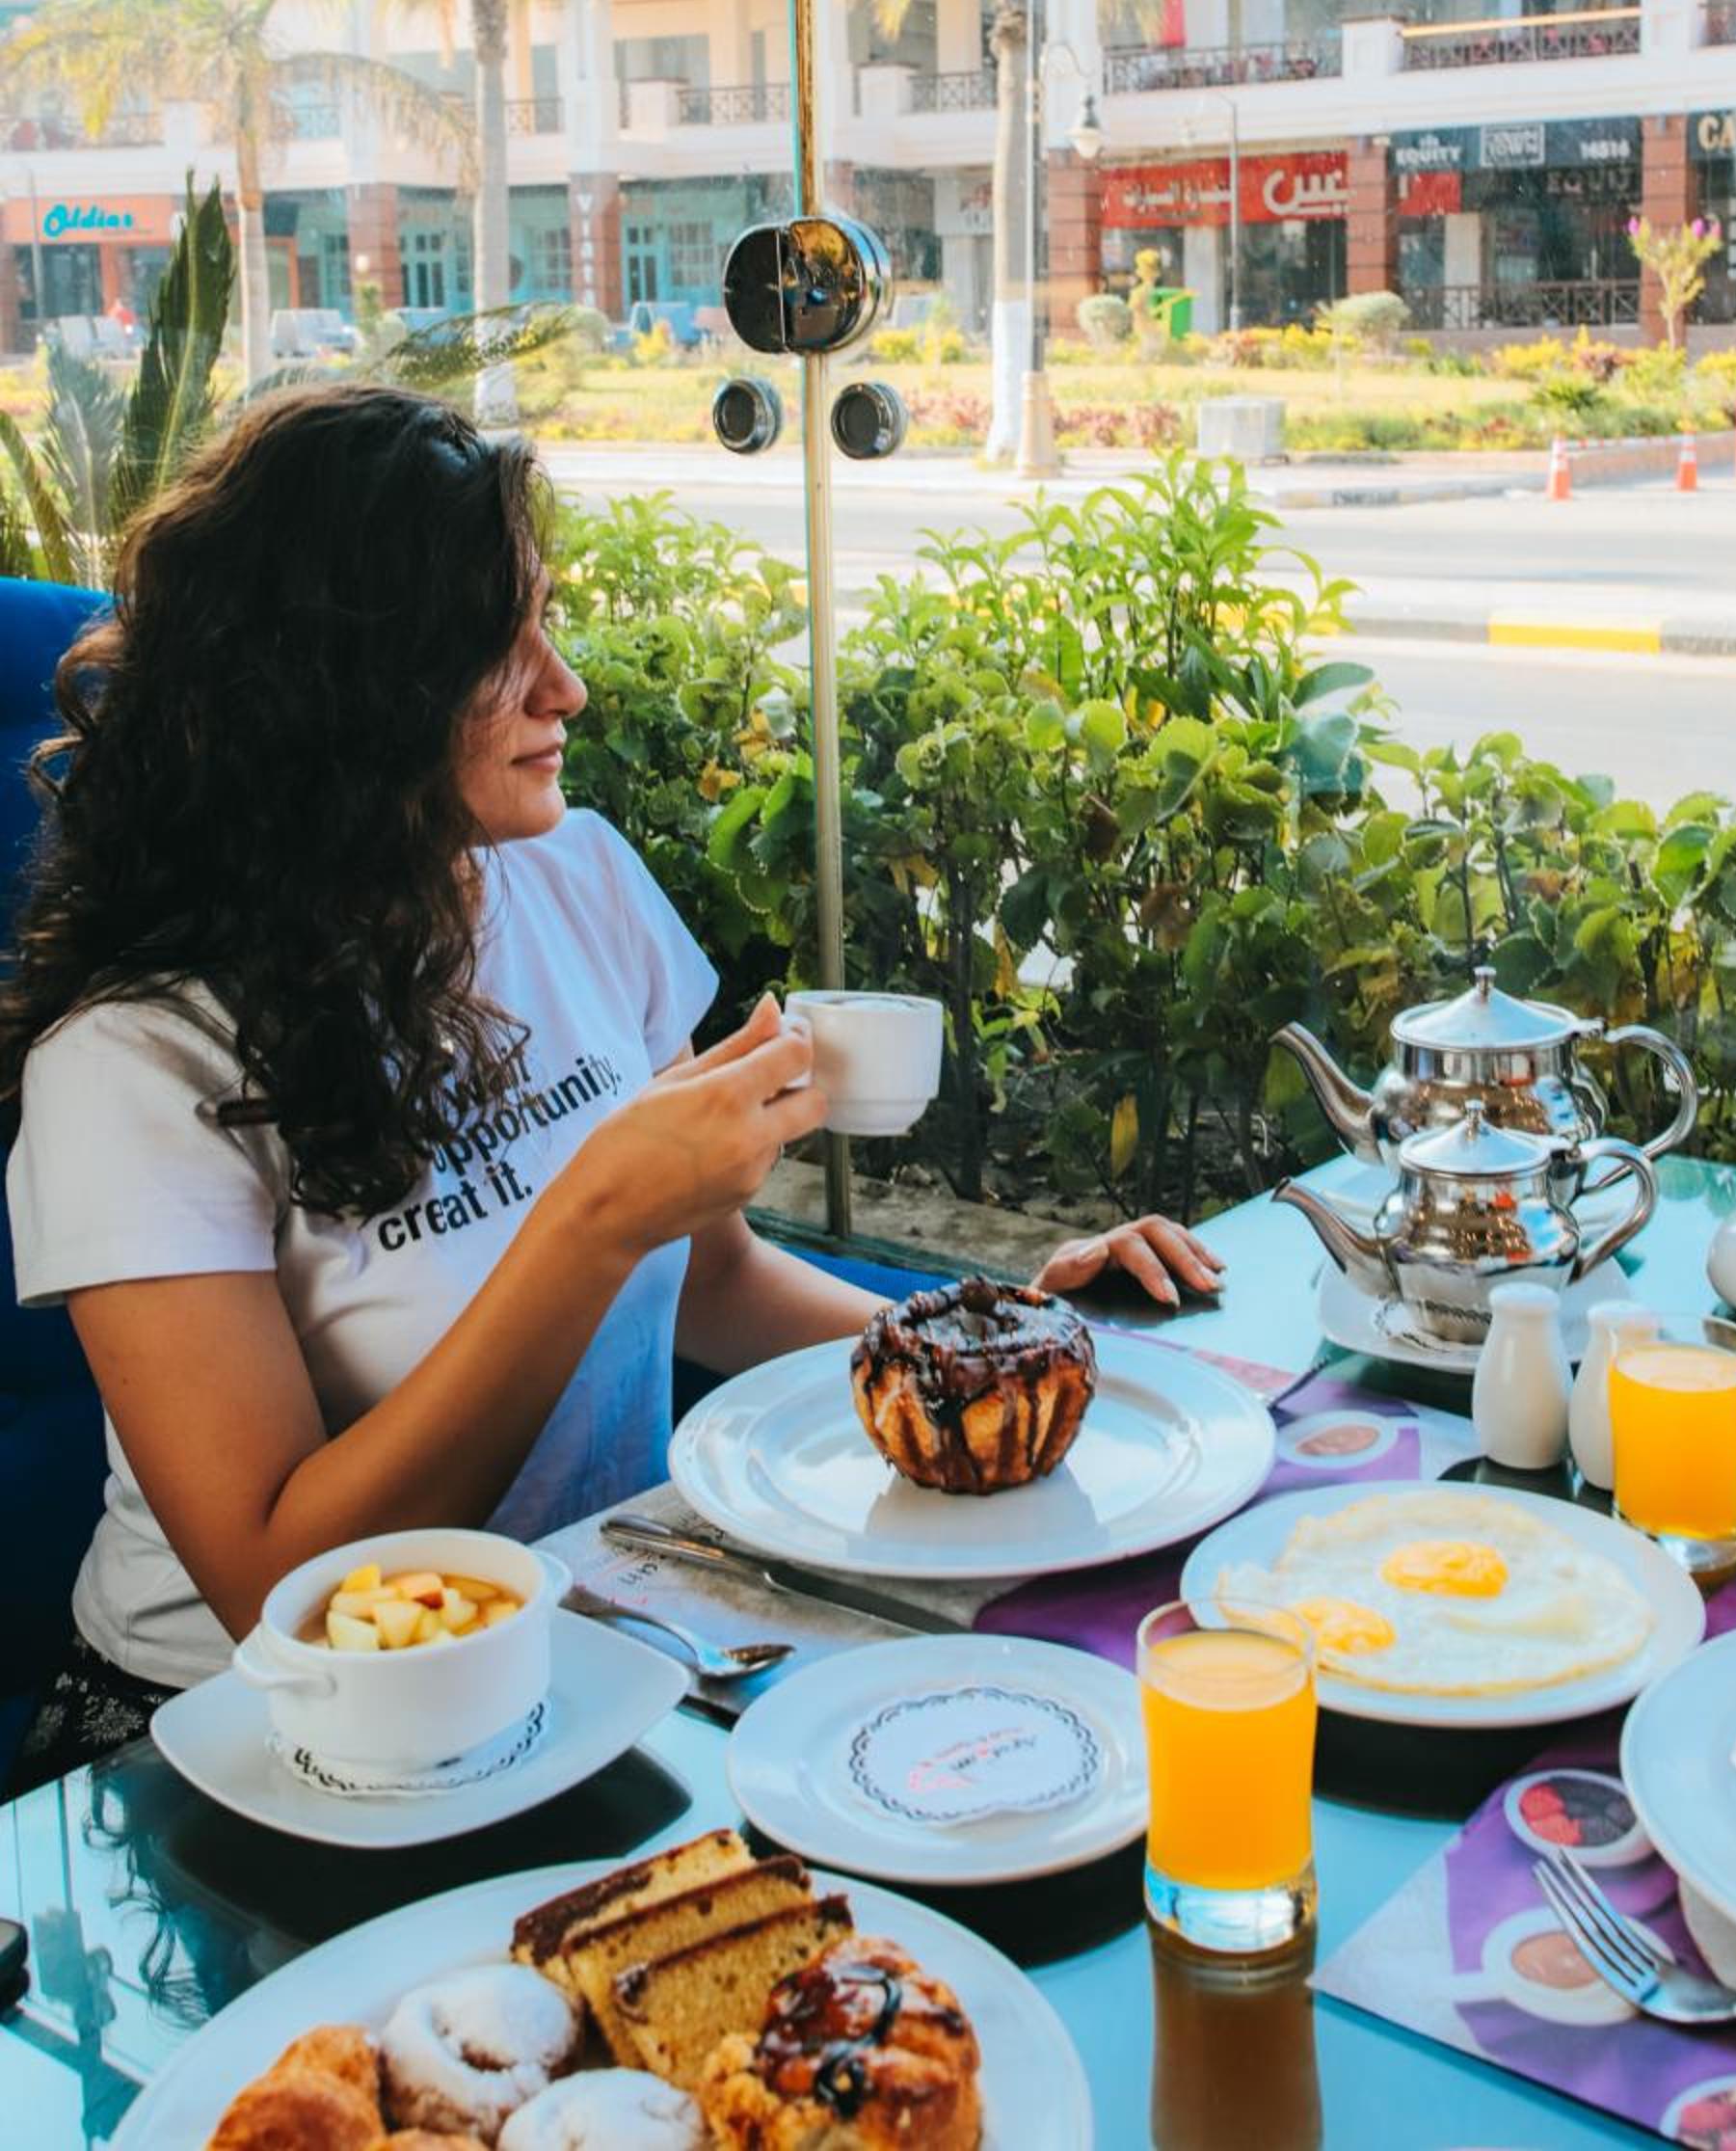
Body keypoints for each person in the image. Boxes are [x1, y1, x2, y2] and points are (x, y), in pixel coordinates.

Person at [1, 384, 1219, 1787]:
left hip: (593, 1644)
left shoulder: (572, 874)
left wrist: (997, 1346)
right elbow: (283, 1587)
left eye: (548, 620)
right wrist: (590, 1219)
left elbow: (717, 1284)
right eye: (493, 649)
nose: (564, 686)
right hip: (248, 1738)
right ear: (334, 690)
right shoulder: (137, 1062)